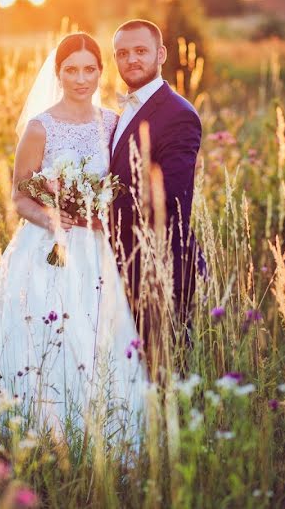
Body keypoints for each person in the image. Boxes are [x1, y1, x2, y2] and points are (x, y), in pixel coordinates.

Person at [0, 33, 148, 449]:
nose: (81, 78)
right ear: (58, 73)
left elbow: (120, 186)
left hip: (96, 251)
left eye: (89, 69)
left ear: (100, 71)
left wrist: (101, 210)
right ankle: (31, 431)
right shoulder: (41, 127)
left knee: (95, 336)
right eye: (71, 70)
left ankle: (97, 435)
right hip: (47, 249)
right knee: (43, 337)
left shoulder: (112, 123)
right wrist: (49, 216)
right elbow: (19, 197)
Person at [108, 19, 205, 369]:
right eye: (122, 53)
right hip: (121, 264)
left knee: (166, 372)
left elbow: (174, 204)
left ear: (161, 54)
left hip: (158, 266)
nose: (131, 59)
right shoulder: (124, 111)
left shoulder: (178, 115)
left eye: (140, 51)